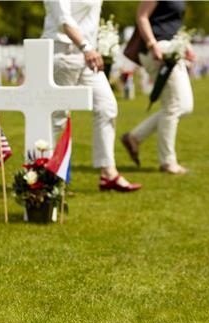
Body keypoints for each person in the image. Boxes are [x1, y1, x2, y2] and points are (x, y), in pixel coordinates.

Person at [42, 0, 141, 192]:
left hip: (86, 55)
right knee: (58, 117)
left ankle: (108, 174)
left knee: (107, 106)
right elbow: (64, 18)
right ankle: (43, 176)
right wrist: (86, 47)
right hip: (65, 54)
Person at [121, 1, 195, 175]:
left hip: (174, 48)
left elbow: (175, 24)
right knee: (174, 106)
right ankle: (168, 162)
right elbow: (142, 16)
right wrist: (152, 44)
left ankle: (134, 137)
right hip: (159, 50)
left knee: (184, 106)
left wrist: (187, 45)